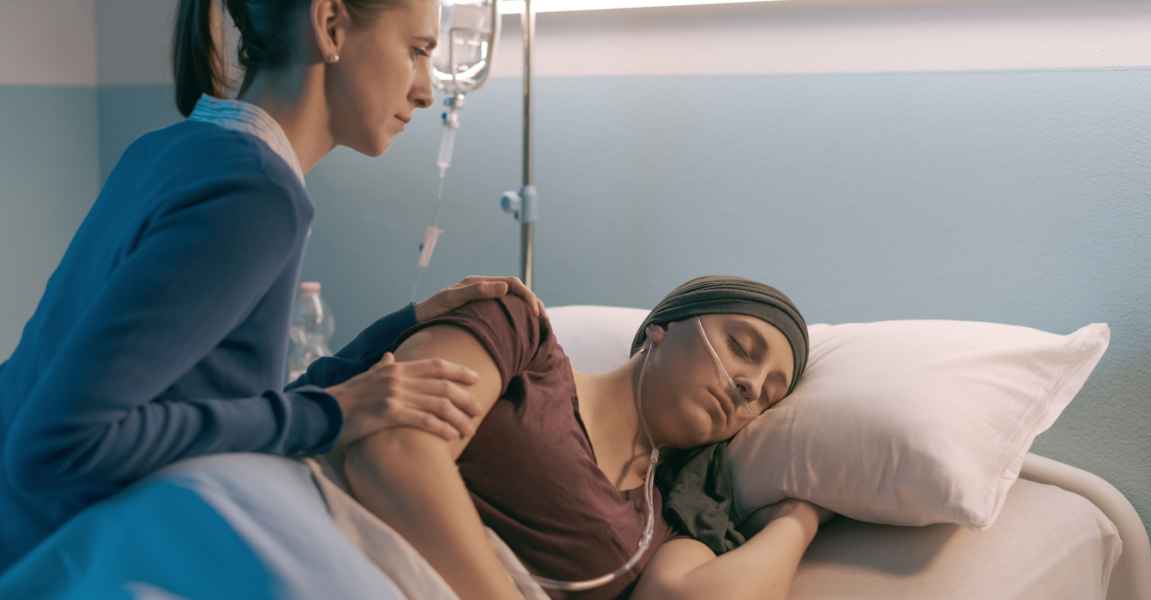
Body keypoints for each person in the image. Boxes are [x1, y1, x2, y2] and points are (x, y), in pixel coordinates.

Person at [0, 0, 547, 571]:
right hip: (48, 560)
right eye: (416, 51)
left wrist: (404, 326)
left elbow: (216, 412)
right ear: (330, 24)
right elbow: (58, 444)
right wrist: (331, 413)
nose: (425, 91)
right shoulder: (254, 195)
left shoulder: (176, 151)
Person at [332, 275, 836, 600]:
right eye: (740, 346)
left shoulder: (664, 524)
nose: (749, 386)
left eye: (767, 396)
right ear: (661, 329)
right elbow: (393, 449)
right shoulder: (519, 335)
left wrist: (803, 516)